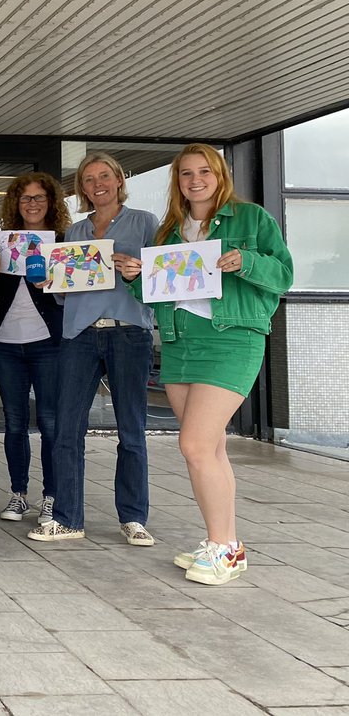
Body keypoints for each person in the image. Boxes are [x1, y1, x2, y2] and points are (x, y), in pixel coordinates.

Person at [118, 144, 292, 584]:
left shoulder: (251, 218)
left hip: (232, 338)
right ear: (177, 181)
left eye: (204, 172)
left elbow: (284, 274)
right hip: (179, 341)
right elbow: (154, 295)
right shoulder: (170, 230)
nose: (195, 180)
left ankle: (221, 547)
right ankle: (228, 546)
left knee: (194, 446)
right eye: (186, 174)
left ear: (220, 175)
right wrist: (136, 279)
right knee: (210, 449)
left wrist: (247, 261)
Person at [28, 152, 159, 546]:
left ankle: (134, 517)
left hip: (129, 332)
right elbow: (69, 294)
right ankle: (68, 518)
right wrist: (50, 284)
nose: (97, 183)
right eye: (88, 179)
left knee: (131, 429)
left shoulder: (145, 222)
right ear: (81, 188)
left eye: (104, 176)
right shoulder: (75, 232)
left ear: (119, 180)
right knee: (67, 429)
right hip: (79, 334)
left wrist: (137, 270)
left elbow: (161, 278)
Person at [0, 172, 70, 525]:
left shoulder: (62, 242)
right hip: (6, 343)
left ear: (51, 202)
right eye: (25, 199)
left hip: (48, 343)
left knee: (50, 422)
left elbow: (70, 294)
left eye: (39, 198)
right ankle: (18, 494)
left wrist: (49, 278)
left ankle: (52, 496)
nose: (32, 204)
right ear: (15, 205)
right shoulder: (4, 242)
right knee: (14, 423)